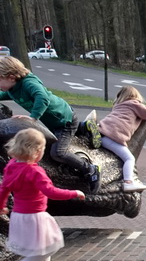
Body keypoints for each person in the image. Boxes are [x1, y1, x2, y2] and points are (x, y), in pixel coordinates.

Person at [0, 55, 101, 193]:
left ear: (11, 77)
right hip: (54, 122)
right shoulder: (12, 89)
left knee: (58, 153)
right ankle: (83, 127)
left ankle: (90, 169)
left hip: (64, 120)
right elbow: (3, 95)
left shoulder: (29, 83)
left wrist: (33, 117)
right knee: (56, 137)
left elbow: (42, 98)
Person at [0, 127, 85, 261]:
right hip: (35, 216)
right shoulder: (35, 171)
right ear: (37, 151)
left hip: (19, 215)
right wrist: (73, 193)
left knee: (43, 245)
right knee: (52, 245)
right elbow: (51, 192)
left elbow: (4, 188)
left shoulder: (12, 166)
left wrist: (1, 205)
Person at [96, 85, 146, 192]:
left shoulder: (118, 106)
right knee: (129, 158)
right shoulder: (133, 103)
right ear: (134, 96)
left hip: (101, 133)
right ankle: (128, 182)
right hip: (111, 137)